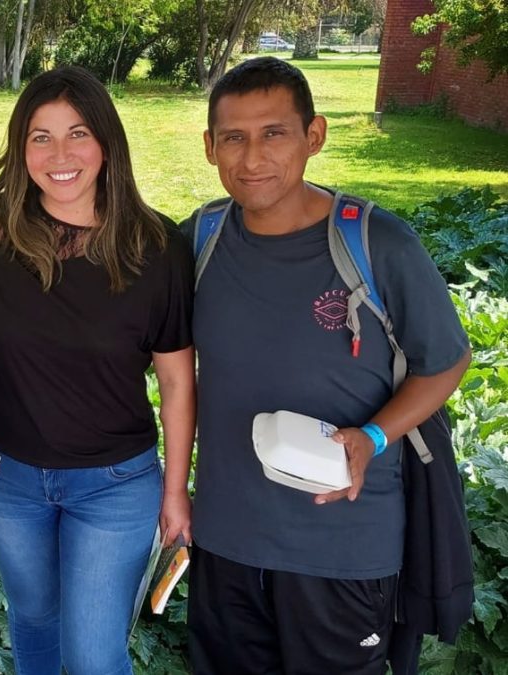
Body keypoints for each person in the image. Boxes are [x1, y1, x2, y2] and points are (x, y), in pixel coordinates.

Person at [182, 56, 471, 675]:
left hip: (342, 545)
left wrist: (372, 437)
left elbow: (445, 363)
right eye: (233, 137)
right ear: (210, 147)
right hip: (226, 539)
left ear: (314, 136)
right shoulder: (198, 242)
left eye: (273, 133)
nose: (252, 156)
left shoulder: (377, 244)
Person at [0, 66, 196, 675]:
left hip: (114, 483)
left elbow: (176, 381)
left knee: (92, 655)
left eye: (77, 133)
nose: (60, 154)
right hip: (7, 477)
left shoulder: (155, 247)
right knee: (33, 619)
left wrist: (175, 491)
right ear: (20, 147)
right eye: (41, 136)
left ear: (106, 143)